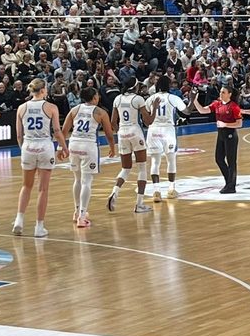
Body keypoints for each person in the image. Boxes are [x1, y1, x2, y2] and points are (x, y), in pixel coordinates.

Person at [13, 79, 69, 237]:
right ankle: (39, 227)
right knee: (43, 189)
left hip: (28, 146)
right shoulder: (51, 107)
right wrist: (64, 148)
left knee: (26, 186)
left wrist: (23, 149)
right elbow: (57, 131)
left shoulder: (21, 108)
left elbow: (18, 135)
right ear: (44, 90)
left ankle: (19, 220)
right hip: (44, 146)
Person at [61, 87, 116, 228]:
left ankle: (76, 211)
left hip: (74, 144)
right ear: (94, 98)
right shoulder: (101, 112)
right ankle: (82, 216)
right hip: (88, 146)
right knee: (87, 181)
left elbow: (64, 130)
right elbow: (109, 133)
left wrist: (61, 148)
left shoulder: (75, 110)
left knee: (77, 179)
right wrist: (112, 147)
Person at [107, 78, 160, 213]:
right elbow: (148, 122)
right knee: (142, 168)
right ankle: (139, 204)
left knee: (125, 168)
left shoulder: (117, 99)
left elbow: (113, 121)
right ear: (135, 87)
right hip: (135, 132)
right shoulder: (138, 99)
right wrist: (154, 109)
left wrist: (121, 133)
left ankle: (115, 192)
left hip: (122, 133)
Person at [192, 86, 243, 193]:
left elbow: (239, 123)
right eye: (220, 92)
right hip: (221, 135)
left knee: (231, 161)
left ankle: (231, 186)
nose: (221, 94)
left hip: (230, 135)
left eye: (223, 92)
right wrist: (194, 101)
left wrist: (225, 124)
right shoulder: (217, 104)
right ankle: (229, 181)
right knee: (218, 159)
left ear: (229, 94)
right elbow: (203, 111)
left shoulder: (234, 106)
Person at [145, 76, 189, 201]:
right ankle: (171, 189)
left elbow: (147, 113)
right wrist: (191, 100)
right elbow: (186, 112)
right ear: (169, 86)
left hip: (153, 130)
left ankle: (156, 192)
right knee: (171, 160)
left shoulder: (151, 99)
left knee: (155, 162)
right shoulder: (173, 98)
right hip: (168, 129)